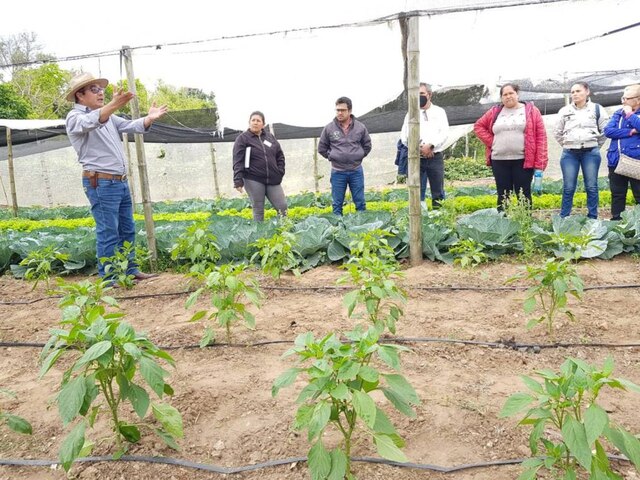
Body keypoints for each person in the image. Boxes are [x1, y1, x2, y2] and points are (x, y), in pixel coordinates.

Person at [65, 72, 167, 282]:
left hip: (118, 181)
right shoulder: (75, 118)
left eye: (100, 89)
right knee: (108, 231)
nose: (100, 92)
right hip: (100, 182)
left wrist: (149, 118)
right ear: (79, 95)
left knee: (127, 228)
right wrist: (113, 105)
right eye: (94, 89)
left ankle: (130, 270)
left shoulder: (109, 117)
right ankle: (109, 277)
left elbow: (130, 126)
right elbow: (93, 121)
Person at [474, 83, 548, 210]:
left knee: (523, 194)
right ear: (501, 98)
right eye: (505, 94)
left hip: (523, 160)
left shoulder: (531, 111)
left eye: (511, 93)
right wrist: (493, 142)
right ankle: (503, 225)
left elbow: (541, 137)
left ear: (517, 94)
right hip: (499, 160)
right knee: (503, 194)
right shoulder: (495, 111)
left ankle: (525, 224)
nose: (508, 97)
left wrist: (540, 164)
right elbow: (478, 126)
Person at [553, 82, 609, 219]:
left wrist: (594, 144)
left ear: (587, 92)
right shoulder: (565, 111)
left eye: (578, 91)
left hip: (590, 153)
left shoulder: (597, 109)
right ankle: (564, 218)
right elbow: (557, 132)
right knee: (568, 187)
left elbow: (605, 130)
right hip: (569, 154)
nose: (575, 94)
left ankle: (592, 218)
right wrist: (568, 144)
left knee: (591, 186)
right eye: (572, 92)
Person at [318, 96, 372, 216]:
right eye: (337, 110)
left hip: (356, 170)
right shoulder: (329, 128)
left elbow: (367, 145)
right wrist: (332, 156)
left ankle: (361, 228)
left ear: (350, 111)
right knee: (337, 204)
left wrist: (358, 155)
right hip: (338, 172)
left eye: (343, 110)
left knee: (360, 202)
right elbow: (321, 148)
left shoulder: (360, 127)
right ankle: (338, 231)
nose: (340, 113)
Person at [400, 82, 450, 207]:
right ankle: (419, 221)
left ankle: (439, 219)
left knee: (438, 192)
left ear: (429, 95)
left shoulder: (439, 112)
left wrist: (431, 145)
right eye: (416, 94)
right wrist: (418, 147)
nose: (419, 97)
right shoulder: (410, 113)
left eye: (422, 94)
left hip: (435, 156)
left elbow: (444, 133)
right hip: (416, 158)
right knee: (416, 192)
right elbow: (404, 135)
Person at [232, 111, 287, 221]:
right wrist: (238, 180)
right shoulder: (243, 139)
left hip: (272, 178)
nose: (255, 123)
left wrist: (279, 171)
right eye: (253, 120)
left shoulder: (270, 138)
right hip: (253, 178)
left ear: (263, 124)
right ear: (249, 122)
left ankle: (284, 232)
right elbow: (238, 160)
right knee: (258, 209)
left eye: (258, 121)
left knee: (282, 207)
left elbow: (280, 155)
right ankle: (259, 235)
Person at [604, 84, 640, 220]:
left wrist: (630, 115)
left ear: (638, 100)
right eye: (623, 98)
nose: (623, 101)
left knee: (639, 194)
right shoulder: (618, 113)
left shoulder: (629, 114)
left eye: (627, 98)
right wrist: (631, 131)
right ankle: (616, 223)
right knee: (617, 194)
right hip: (616, 160)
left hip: (636, 160)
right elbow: (608, 131)